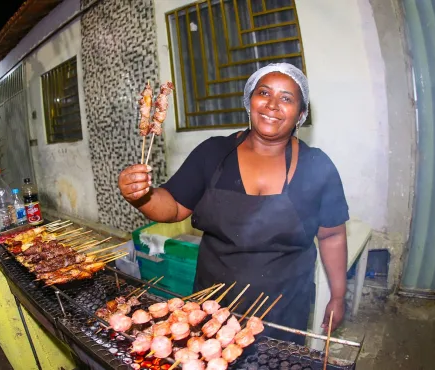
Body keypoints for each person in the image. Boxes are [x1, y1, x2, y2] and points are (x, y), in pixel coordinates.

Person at [118, 63, 349, 344]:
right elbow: (174, 206)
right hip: (213, 303)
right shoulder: (213, 152)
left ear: (300, 114)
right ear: (249, 100)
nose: (272, 104)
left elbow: (333, 235)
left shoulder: (317, 166)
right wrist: (140, 196)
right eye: (263, 92)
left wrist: (338, 295)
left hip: (284, 310)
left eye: (286, 98)